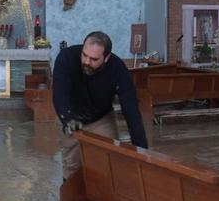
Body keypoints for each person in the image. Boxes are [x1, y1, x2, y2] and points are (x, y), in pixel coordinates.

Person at [52, 31, 148, 180]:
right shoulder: (67, 57)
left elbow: (131, 109)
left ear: (107, 58)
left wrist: (142, 150)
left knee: (108, 162)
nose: (86, 62)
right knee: (72, 165)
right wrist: (67, 118)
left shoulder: (118, 69)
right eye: (84, 55)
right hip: (71, 115)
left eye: (94, 59)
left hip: (101, 118)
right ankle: (71, 200)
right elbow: (60, 94)